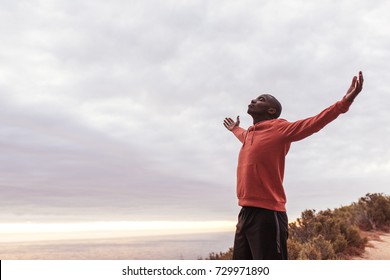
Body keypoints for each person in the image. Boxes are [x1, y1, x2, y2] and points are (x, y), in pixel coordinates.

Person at [223, 71, 364, 260]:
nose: (254, 100)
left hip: (268, 214)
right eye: (255, 98)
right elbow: (242, 135)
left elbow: (315, 122)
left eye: (261, 99)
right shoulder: (249, 134)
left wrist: (344, 102)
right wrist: (235, 129)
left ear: (271, 111)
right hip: (245, 212)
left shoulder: (280, 128)